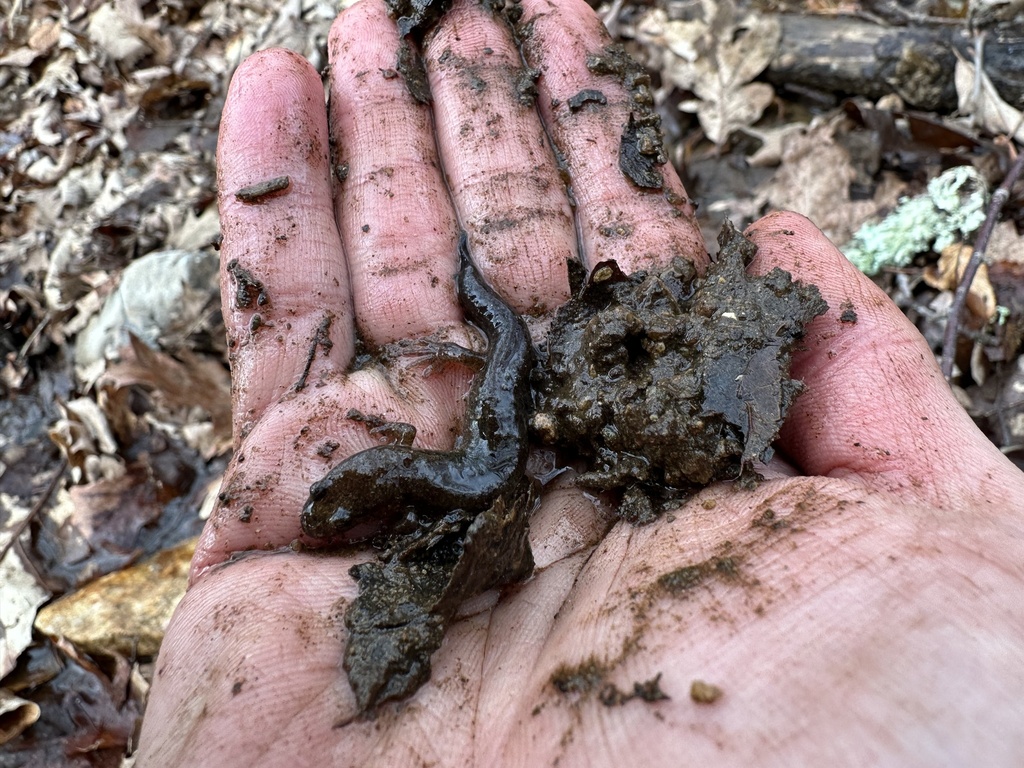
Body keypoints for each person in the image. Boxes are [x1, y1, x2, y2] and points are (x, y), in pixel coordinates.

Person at [136, 0, 1024, 764]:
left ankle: (476, 289)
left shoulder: (429, 480)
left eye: (338, 497)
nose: (333, 506)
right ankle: (473, 290)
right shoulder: (420, 478)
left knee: (499, 339)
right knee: (494, 350)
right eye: (342, 501)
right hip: (495, 423)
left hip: (505, 409)